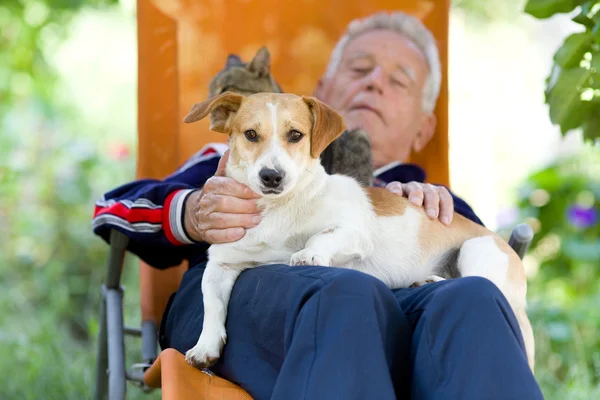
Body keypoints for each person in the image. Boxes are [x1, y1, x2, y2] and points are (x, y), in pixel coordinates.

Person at [92, 11, 543, 400]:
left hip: (394, 327)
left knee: (474, 299)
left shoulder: (436, 202)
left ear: (424, 128)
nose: (374, 83)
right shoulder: (232, 160)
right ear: (323, 89)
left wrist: (441, 218)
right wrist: (191, 212)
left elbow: (493, 289)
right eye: (360, 68)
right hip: (249, 308)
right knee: (347, 291)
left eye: (398, 81)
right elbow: (114, 209)